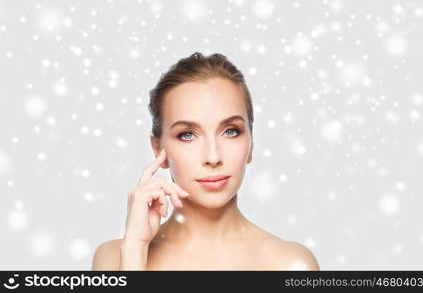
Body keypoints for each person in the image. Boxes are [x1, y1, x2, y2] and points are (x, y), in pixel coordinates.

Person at [92, 52, 320, 270]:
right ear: (158, 149)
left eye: (230, 131)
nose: (213, 157)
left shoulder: (290, 263)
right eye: (187, 134)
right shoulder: (115, 257)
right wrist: (135, 250)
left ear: (251, 143)